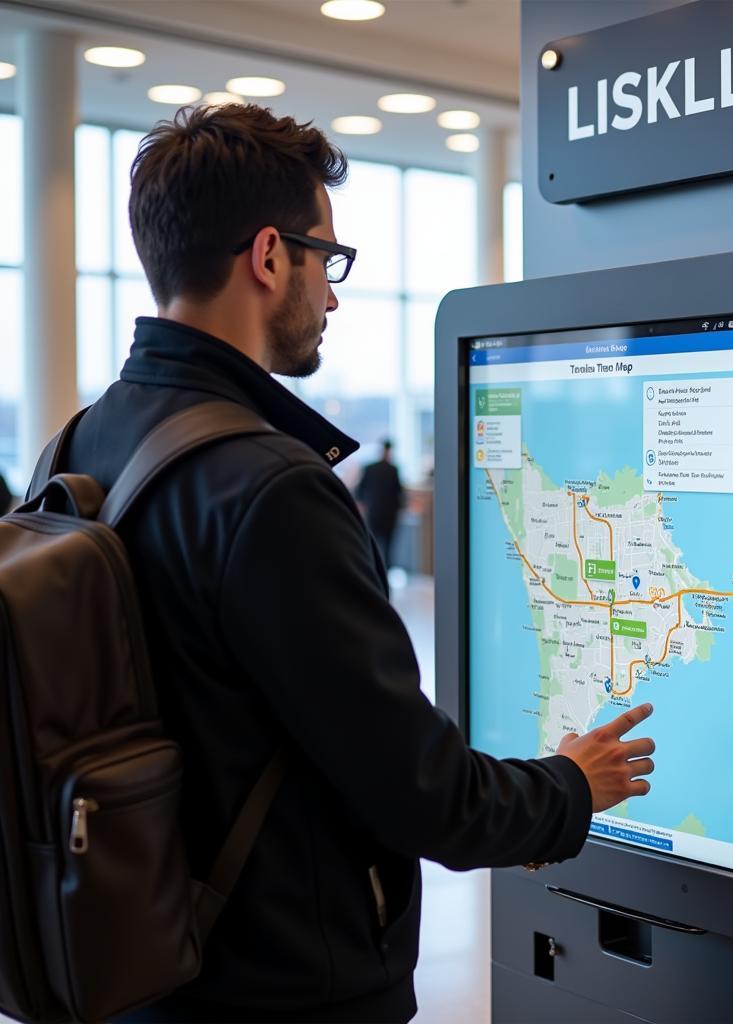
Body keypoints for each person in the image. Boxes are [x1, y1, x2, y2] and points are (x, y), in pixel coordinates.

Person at [51, 104, 654, 1024]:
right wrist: (571, 786)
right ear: (267, 257)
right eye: (325, 258)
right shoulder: (270, 488)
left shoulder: (78, 445)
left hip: (128, 962)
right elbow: (422, 793)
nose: (332, 294)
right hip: (278, 985)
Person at [356, 439, 404, 567]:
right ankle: (385, 573)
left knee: (373, 544)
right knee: (388, 546)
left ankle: (374, 572)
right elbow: (398, 492)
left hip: (374, 511)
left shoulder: (370, 468)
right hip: (389, 512)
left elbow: (360, 490)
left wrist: (362, 506)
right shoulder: (393, 469)